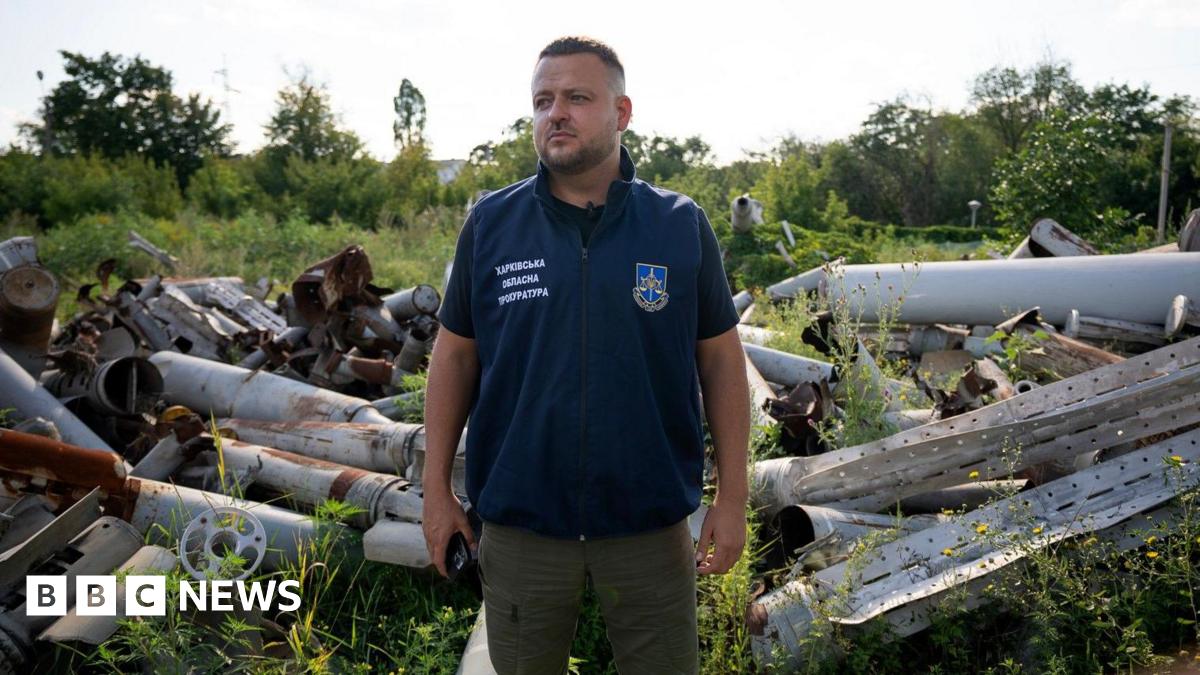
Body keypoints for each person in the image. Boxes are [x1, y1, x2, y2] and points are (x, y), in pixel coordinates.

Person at [421, 35, 750, 675]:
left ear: (621, 114)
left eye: (576, 97)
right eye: (543, 101)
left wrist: (731, 497)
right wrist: (435, 492)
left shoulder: (678, 225)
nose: (555, 114)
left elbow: (721, 366)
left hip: (649, 527)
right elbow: (455, 359)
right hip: (522, 530)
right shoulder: (492, 223)